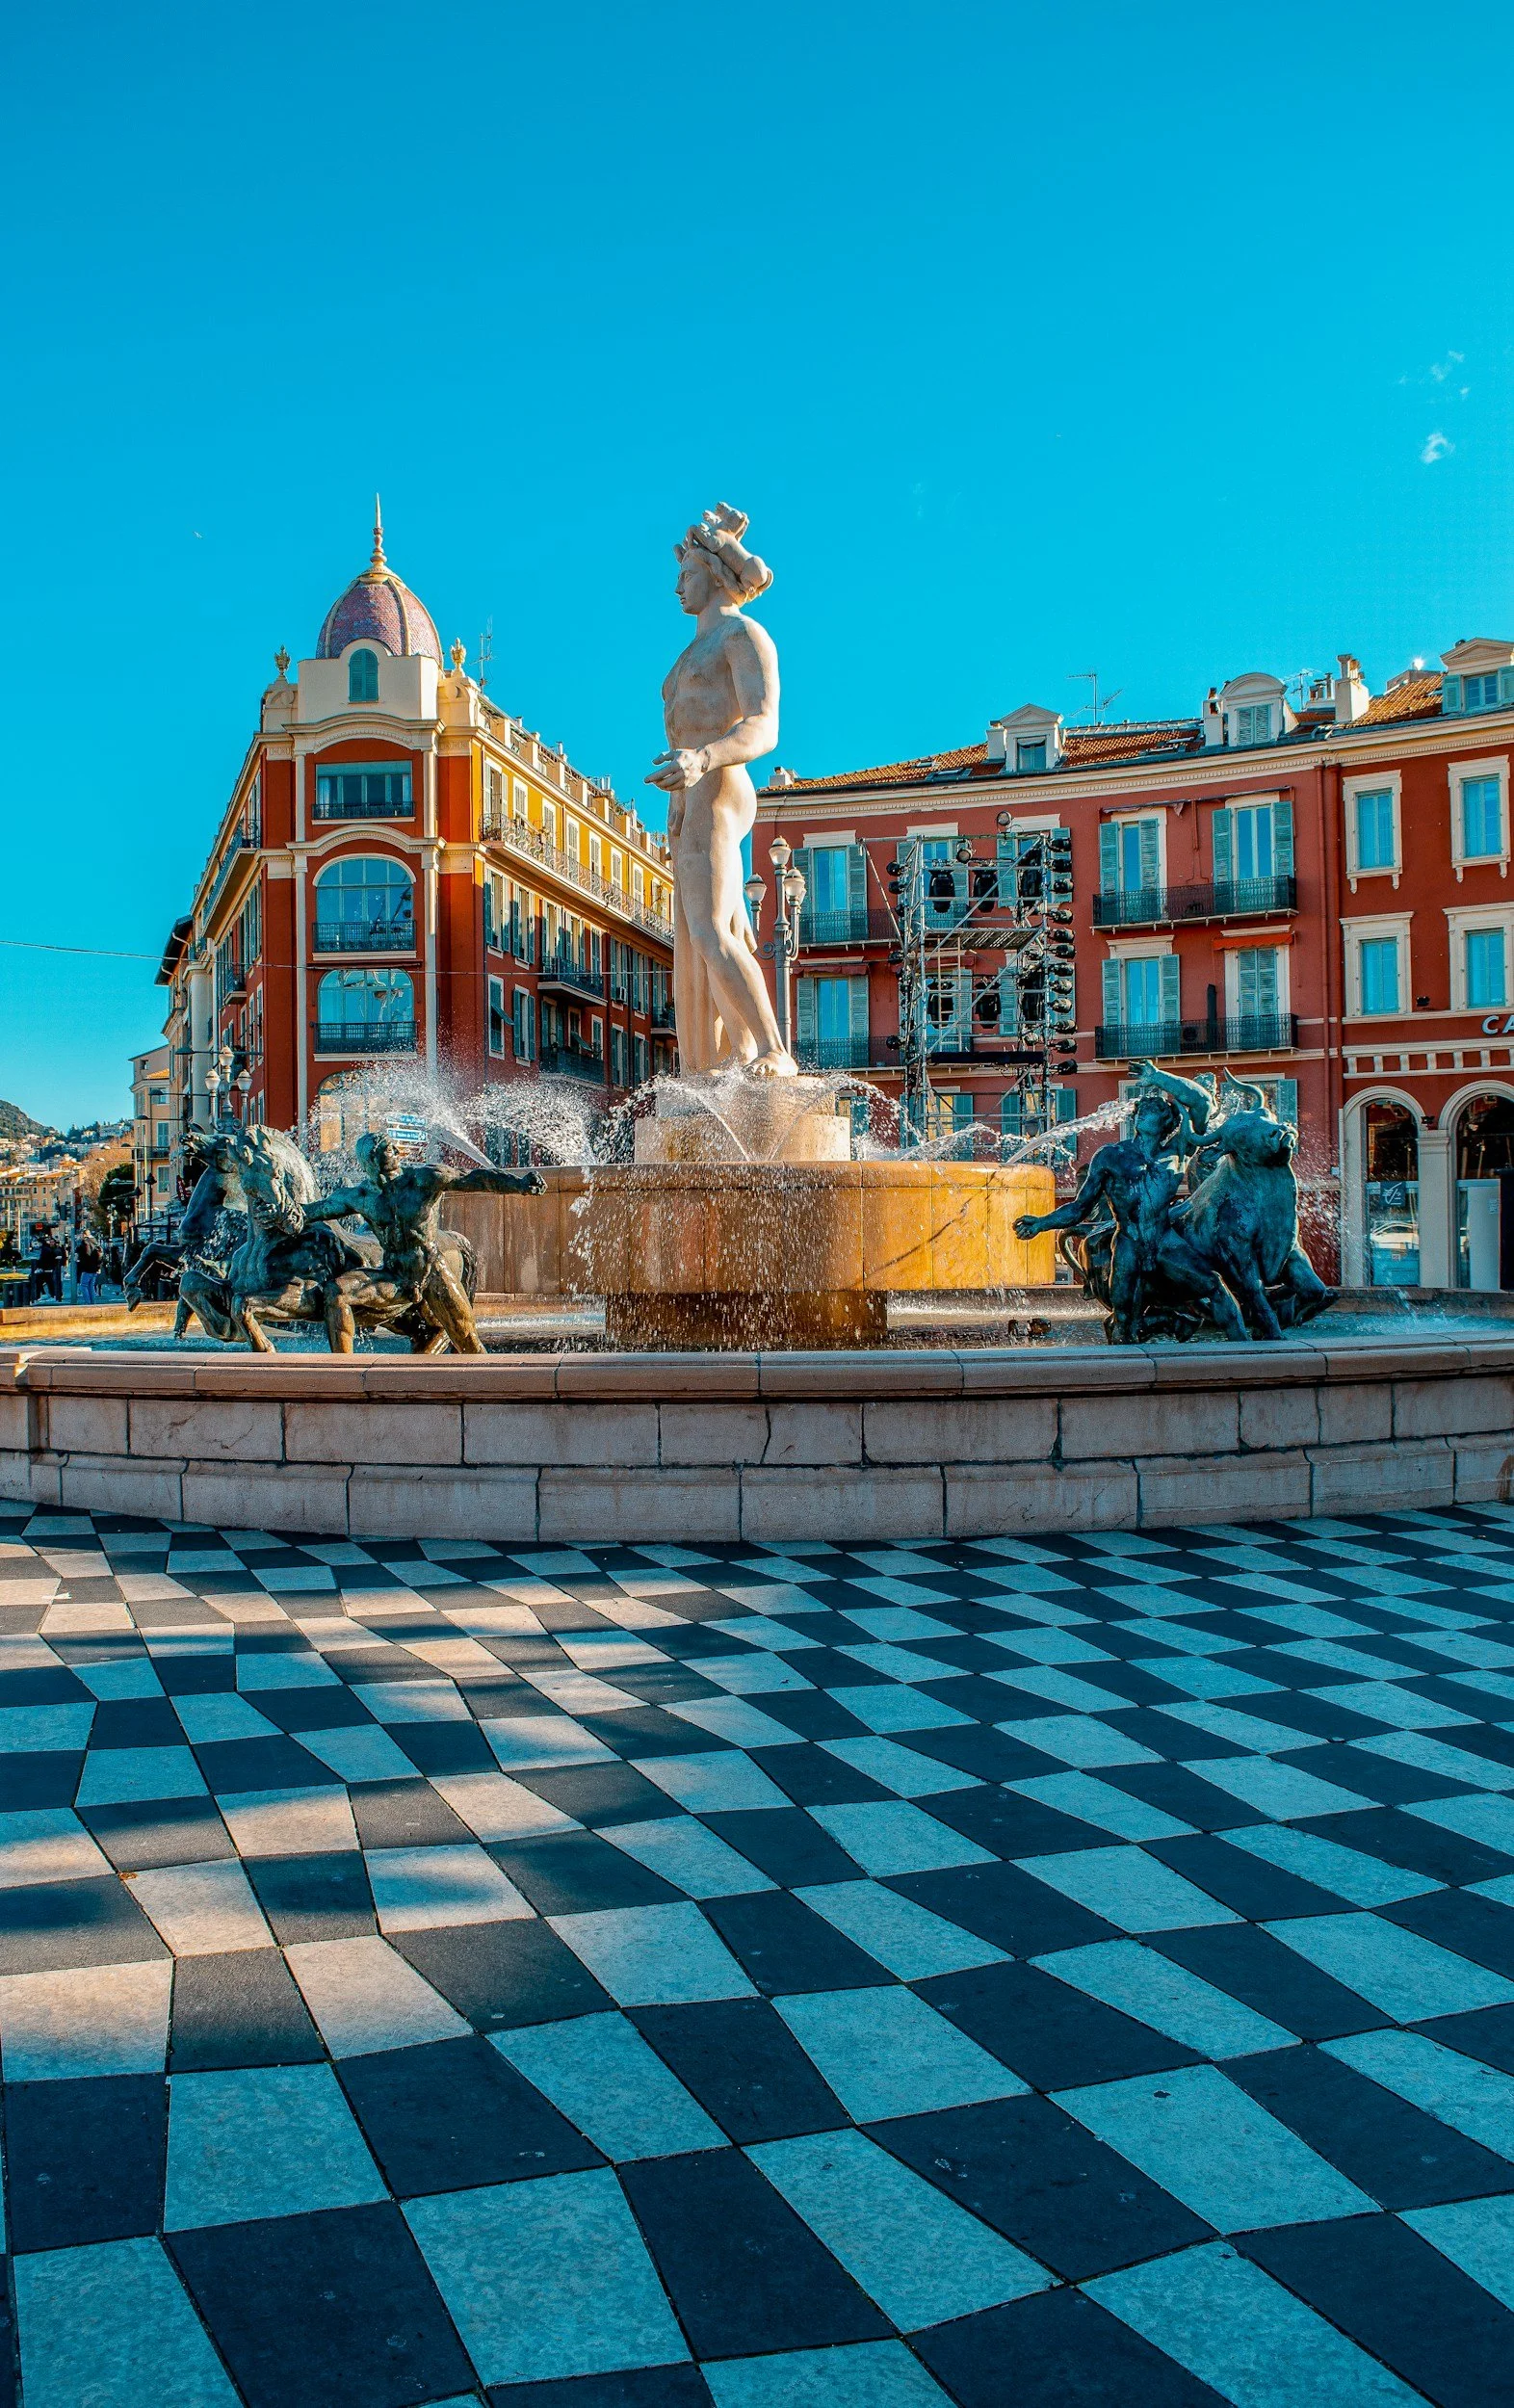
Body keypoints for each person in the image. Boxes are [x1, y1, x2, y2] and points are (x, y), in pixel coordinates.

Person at [646, 504, 796, 1077]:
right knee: (703, 936)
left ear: (713, 576)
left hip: (720, 780)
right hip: (688, 792)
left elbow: (764, 724)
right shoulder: (690, 651)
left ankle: (772, 1050)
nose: (676, 586)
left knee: (709, 928)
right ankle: (723, 1058)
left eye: (686, 575)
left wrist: (702, 758)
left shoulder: (744, 635)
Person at [1014, 1086, 1247, 1344]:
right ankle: (1124, 1367)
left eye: (1155, 1108)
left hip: (1165, 1242)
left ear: (1166, 1121)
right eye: (1142, 1108)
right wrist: (1041, 1223)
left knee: (1213, 1285)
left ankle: (1244, 1350)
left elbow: (1202, 1107)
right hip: (1128, 1243)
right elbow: (1080, 1208)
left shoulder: (1178, 1153)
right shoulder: (1111, 1156)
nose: (1145, 1109)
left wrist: (1168, 1089)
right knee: (1124, 1317)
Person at [301, 1133, 545, 1353]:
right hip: (393, 1273)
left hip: (431, 1272)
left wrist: (520, 1185)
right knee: (337, 1292)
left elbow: (475, 1178)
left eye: (389, 1148)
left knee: (467, 1340)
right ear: (367, 1160)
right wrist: (276, 1211)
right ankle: (344, 1372)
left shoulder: (424, 1179)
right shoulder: (359, 1196)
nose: (389, 1154)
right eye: (381, 1151)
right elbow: (314, 1211)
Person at [75, 1230, 102, 1304]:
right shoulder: (95, 1241)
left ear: (84, 1235)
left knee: (83, 1286)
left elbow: (87, 1253)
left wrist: (80, 1259)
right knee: (91, 1286)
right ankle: (92, 1302)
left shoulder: (85, 1242)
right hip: (95, 1267)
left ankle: (88, 1302)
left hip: (87, 1268)